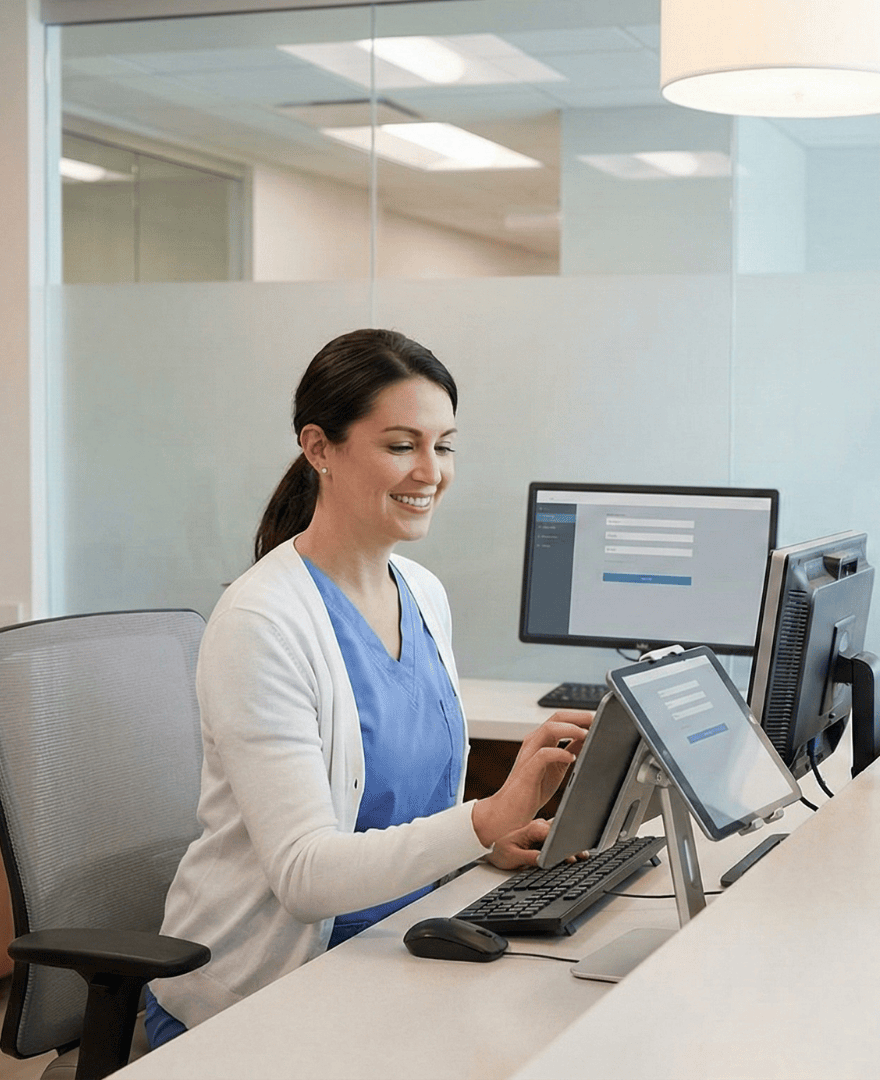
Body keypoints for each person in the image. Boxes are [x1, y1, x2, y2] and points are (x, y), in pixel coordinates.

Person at [145, 329, 589, 1042]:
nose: (431, 471)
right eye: (401, 445)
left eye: (444, 446)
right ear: (319, 448)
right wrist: (485, 819)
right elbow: (306, 876)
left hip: (400, 945)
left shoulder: (421, 592)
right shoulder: (262, 622)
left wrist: (483, 846)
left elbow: (403, 814)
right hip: (257, 998)